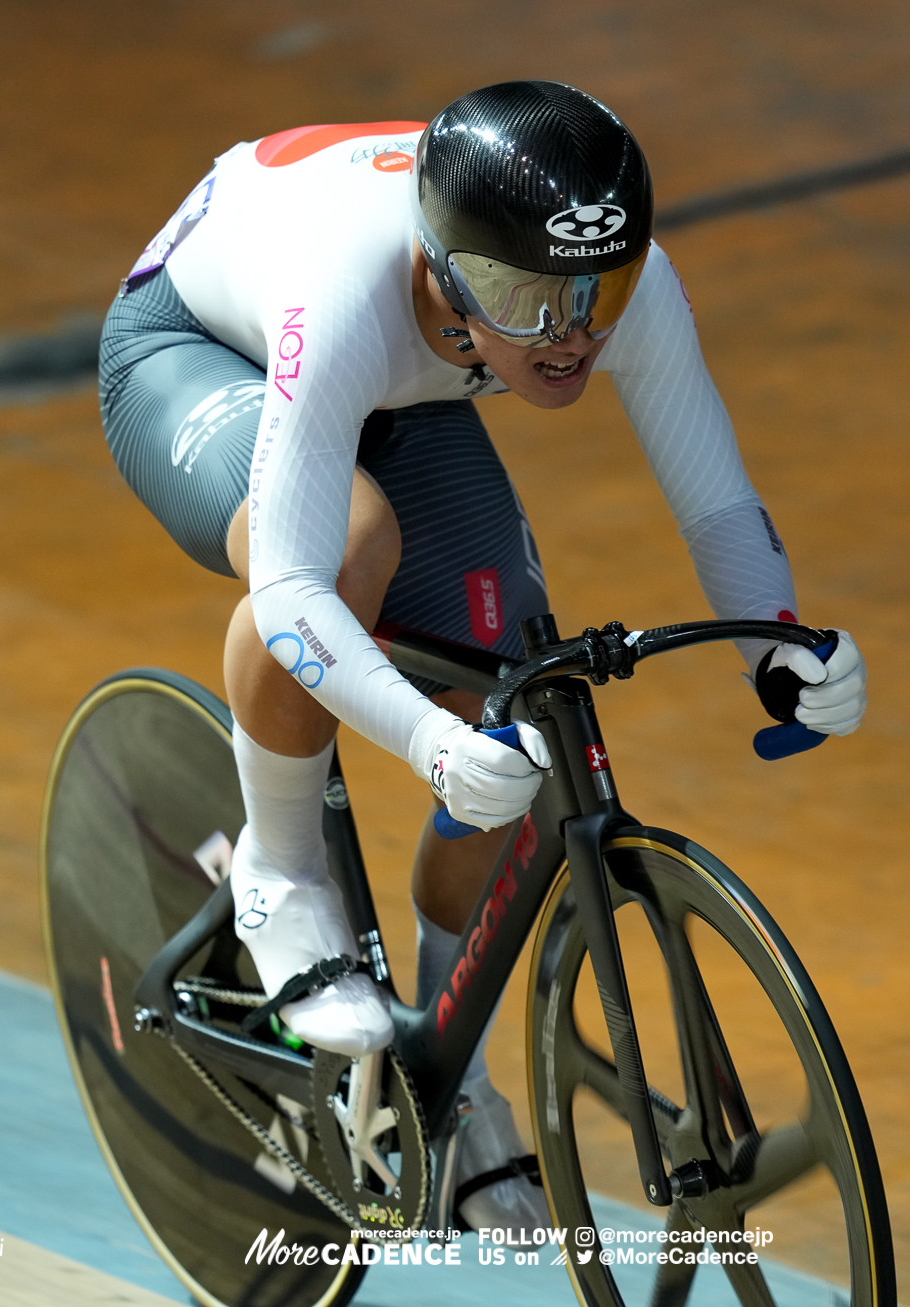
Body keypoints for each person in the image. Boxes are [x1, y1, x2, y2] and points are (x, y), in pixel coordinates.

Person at [97, 81, 866, 1235]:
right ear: (444, 268)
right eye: (525, 297)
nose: (567, 336)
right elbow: (296, 590)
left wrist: (778, 644)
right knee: (344, 542)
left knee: (515, 679)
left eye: (595, 296)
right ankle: (279, 867)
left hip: (408, 378)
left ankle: (444, 1073)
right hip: (199, 349)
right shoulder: (349, 280)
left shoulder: (609, 288)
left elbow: (716, 505)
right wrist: (420, 738)